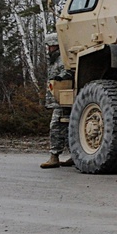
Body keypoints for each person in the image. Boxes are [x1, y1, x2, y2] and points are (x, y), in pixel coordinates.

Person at [41, 33, 74, 169]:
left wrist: (61, 78)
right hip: (58, 99)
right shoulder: (54, 60)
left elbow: (69, 73)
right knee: (67, 128)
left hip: (63, 99)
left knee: (56, 126)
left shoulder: (62, 60)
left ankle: (54, 156)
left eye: (50, 46)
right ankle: (73, 155)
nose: (48, 49)